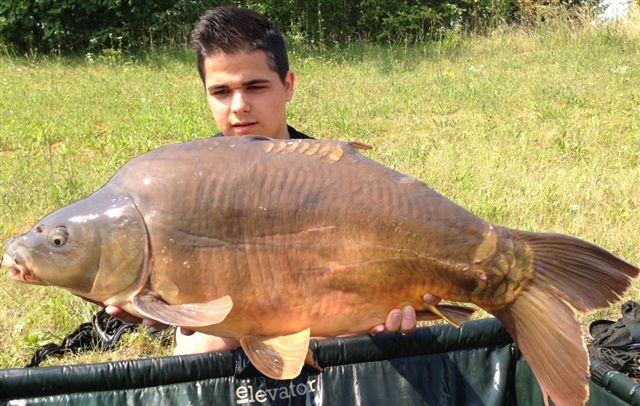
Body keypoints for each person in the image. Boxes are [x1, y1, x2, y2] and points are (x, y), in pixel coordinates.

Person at [105, 6, 441, 354]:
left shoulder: (335, 176)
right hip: (230, 320)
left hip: (328, 311)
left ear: (288, 85)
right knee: (200, 348)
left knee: (363, 338)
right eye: (221, 92)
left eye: (255, 87)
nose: (239, 106)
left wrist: (399, 297)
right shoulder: (191, 183)